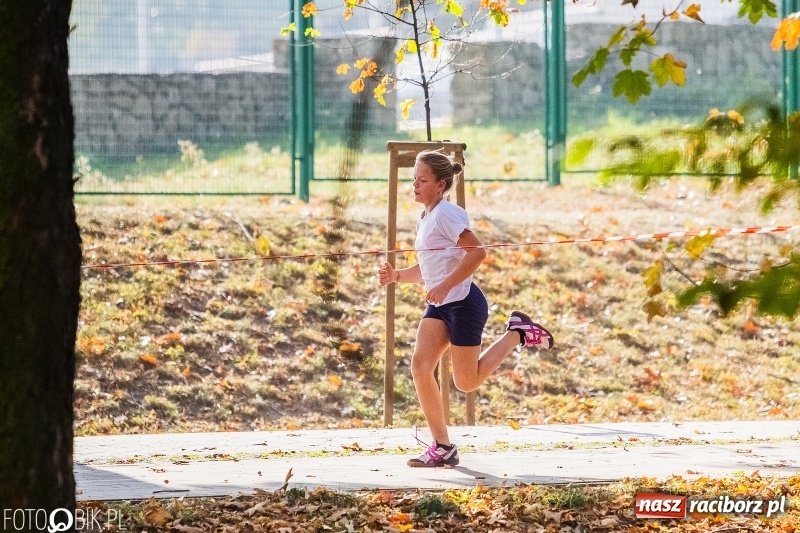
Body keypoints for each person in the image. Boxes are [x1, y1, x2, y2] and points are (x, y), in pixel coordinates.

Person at [378, 149, 555, 468]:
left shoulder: (446, 214)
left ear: (440, 185)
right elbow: (429, 268)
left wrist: (446, 285)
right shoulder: (426, 217)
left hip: (464, 305)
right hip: (440, 306)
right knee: (420, 367)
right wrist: (397, 276)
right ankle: (443, 447)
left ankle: (517, 333)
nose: (415, 184)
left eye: (423, 180)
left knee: (466, 382)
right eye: (414, 178)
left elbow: (477, 253)